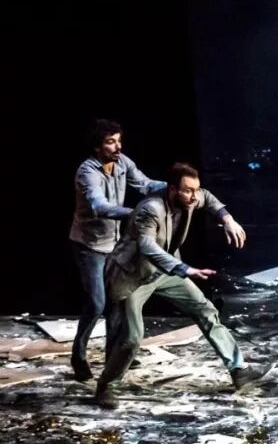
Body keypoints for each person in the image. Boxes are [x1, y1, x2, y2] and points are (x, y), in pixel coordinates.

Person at [94, 163, 266, 407]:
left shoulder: (192, 197)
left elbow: (208, 198)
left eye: (195, 190)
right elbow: (148, 247)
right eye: (188, 191)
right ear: (172, 189)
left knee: (205, 310)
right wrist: (186, 269)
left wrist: (228, 219)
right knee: (131, 338)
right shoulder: (150, 209)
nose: (194, 196)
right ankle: (106, 386)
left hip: (165, 272)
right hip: (133, 276)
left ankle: (239, 370)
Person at [68, 119, 169, 381]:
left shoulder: (122, 162)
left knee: (117, 300)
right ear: (97, 146)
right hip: (90, 245)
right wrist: (137, 213)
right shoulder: (87, 172)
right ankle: (78, 357)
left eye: (119, 140)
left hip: (114, 244)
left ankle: (113, 356)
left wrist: (175, 186)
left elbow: (146, 184)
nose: (118, 146)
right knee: (96, 303)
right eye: (110, 142)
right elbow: (99, 206)